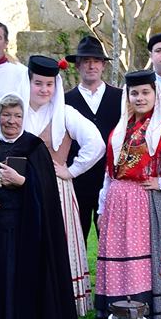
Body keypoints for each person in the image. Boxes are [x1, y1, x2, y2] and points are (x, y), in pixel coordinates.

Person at [0, 95, 82, 319]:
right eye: (6, 115)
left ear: (24, 118)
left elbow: (46, 190)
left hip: (27, 231)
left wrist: (22, 181)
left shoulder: (34, 147)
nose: (11, 121)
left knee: (25, 282)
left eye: (17, 116)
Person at [94, 70, 161, 319]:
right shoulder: (121, 129)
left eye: (145, 92)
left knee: (144, 258)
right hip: (117, 201)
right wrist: (102, 207)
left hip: (145, 201)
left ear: (155, 95)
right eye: (135, 93)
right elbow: (110, 172)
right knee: (119, 257)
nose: (140, 98)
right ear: (127, 97)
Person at [23, 56, 105, 313]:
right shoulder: (16, 111)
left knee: (58, 243)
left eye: (49, 84)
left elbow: (97, 144)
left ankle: (61, 304)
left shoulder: (66, 113)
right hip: (21, 189)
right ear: (29, 83)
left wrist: (71, 170)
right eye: (38, 83)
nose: (44, 90)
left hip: (56, 190)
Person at [66, 35, 122, 243]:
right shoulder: (65, 101)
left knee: (110, 239)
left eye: (96, 61)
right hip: (77, 179)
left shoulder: (120, 97)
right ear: (78, 66)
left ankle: (110, 277)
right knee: (75, 239)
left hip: (110, 178)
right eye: (86, 61)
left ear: (103, 66)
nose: (91, 66)